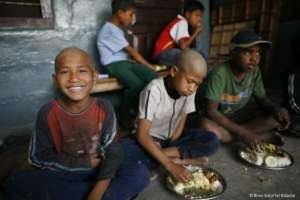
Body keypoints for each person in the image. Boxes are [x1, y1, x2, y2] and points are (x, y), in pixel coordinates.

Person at [4, 47, 149, 200]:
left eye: (82, 71)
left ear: (94, 76)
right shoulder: (47, 113)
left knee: (139, 172)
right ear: (55, 80)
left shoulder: (104, 107)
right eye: (65, 72)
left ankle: (89, 192)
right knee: (16, 184)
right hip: (65, 171)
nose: (74, 78)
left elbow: (112, 150)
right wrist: (83, 163)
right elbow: (38, 157)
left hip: (100, 168)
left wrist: (98, 190)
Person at [121, 49, 219, 183]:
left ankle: (159, 157)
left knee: (212, 140)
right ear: (174, 72)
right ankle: (176, 160)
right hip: (148, 140)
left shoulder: (189, 90)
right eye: (190, 81)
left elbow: (182, 117)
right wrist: (171, 165)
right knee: (121, 153)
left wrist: (174, 141)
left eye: (197, 84)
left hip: (170, 142)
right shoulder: (154, 90)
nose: (192, 88)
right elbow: (142, 135)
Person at [201, 30, 290, 144]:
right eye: (248, 53)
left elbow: (262, 100)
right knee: (207, 127)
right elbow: (211, 111)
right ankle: (258, 136)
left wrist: (276, 109)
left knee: (275, 119)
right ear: (232, 54)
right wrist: (243, 132)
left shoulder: (255, 72)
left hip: (238, 114)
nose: (254, 58)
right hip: (219, 118)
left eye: (258, 52)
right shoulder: (220, 74)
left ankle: (233, 136)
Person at [97, 0, 157, 127]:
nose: (132, 18)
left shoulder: (116, 29)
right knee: (137, 84)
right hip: (113, 65)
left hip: (126, 63)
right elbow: (131, 51)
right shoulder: (109, 30)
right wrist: (149, 64)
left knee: (152, 76)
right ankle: (124, 114)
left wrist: (149, 69)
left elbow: (129, 54)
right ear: (120, 13)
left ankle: (148, 112)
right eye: (130, 14)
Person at [153, 0, 204, 67]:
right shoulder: (182, 22)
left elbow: (185, 47)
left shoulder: (182, 22)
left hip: (166, 55)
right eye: (197, 15)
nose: (199, 19)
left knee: (197, 55)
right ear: (188, 14)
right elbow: (183, 46)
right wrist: (196, 32)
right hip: (162, 55)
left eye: (200, 16)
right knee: (193, 57)